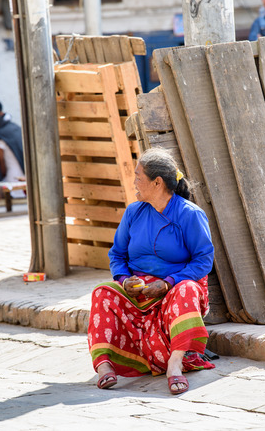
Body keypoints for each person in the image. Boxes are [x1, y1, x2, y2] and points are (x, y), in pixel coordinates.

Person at [88, 148, 215, 395]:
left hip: (175, 289)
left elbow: (203, 261)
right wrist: (125, 280)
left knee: (188, 289)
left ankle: (174, 366)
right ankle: (105, 367)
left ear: (157, 182)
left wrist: (168, 283)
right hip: (139, 291)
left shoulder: (189, 214)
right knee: (102, 292)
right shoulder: (134, 212)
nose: (134, 182)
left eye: (138, 177)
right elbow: (117, 254)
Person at [0, 97, 25, 197]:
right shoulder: (15, 128)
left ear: (0, 113)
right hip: (25, 186)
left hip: (12, 189)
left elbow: (0, 169)